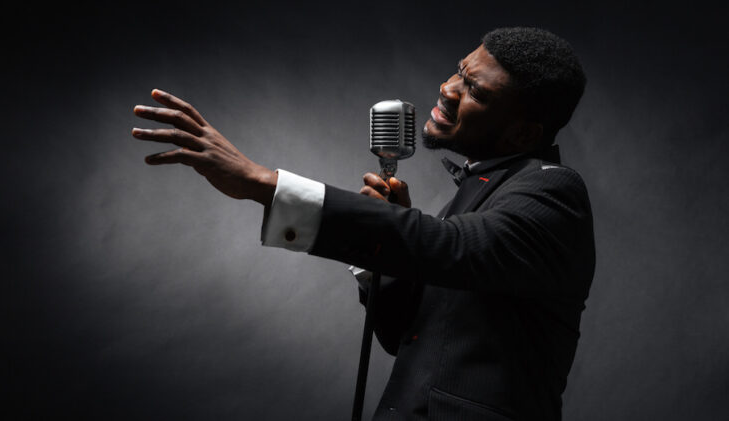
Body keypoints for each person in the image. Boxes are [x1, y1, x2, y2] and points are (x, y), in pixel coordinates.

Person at [131, 27, 595, 421]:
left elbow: (451, 246)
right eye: (460, 70)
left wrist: (265, 184)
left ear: (523, 134)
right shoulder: (480, 189)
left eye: (475, 91)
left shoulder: (552, 193)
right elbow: (405, 338)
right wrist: (388, 247)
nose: (448, 88)